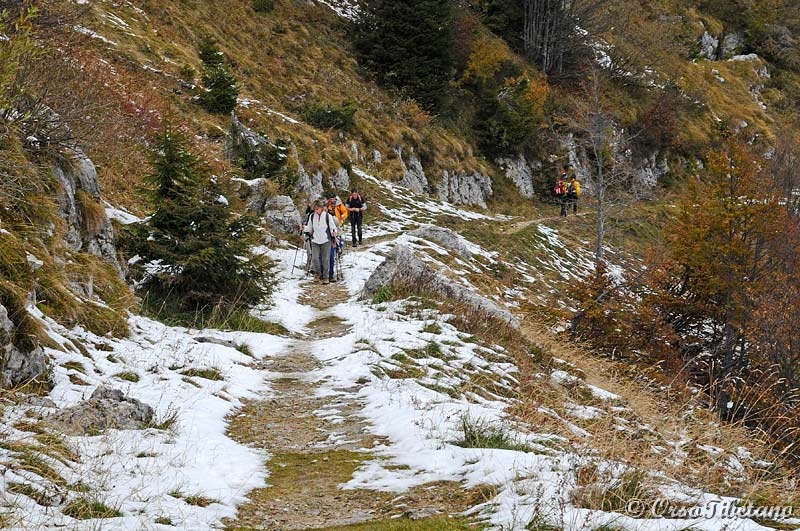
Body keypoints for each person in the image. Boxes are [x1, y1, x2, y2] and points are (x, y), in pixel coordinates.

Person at [302, 199, 338, 285]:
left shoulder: (327, 216)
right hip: (315, 240)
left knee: (325, 259)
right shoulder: (312, 217)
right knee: (314, 259)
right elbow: (310, 228)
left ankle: (325, 277)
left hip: (326, 240)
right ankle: (318, 273)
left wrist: (334, 232)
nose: (316, 211)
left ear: (321, 208)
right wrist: (304, 228)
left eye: (317, 209)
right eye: (314, 209)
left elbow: (333, 227)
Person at [325, 192, 347, 282]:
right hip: (328, 229)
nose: (332, 200)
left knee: (338, 240)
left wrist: (343, 217)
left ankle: (339, 249)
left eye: (333, 199)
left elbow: (345, 211)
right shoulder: (326, 205)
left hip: (337, 224)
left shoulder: (339, 205)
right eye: (330, 199)